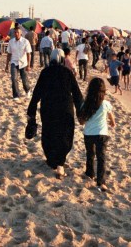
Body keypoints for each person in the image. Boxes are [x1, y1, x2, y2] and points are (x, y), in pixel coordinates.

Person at [26, 49, 84, 178]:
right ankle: (60, 163)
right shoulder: (68, 72)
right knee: (65, 135)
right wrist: (81, 112)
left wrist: (31, 111)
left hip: (48, 108)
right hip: (65, 109)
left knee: (49, 133)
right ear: (62, 60)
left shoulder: (45, 72)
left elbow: (36, 94)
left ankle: (51, 160)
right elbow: (77, 94)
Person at [77, 78, 116, 192]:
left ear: (90, 90)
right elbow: (111, 116)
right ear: (103, 90)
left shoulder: (85, 104)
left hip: (88, 134)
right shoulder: (105, 104)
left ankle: (90, 173)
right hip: (101, 134)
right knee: (101, 157)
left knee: (90, 154)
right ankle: (101, 182)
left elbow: (81, 122)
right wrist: (112, 123)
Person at [5, 26, 32, 101]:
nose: (16, 34)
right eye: (15, 32)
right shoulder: (11, 42)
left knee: (24, 79)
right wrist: (6, 65)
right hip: (14, 62)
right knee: (14, 78)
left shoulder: (25, 41)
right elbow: (9, 53)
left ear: (21, 33)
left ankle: (28, 90)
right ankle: (16, 95)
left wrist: (28, 65)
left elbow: (28, 53)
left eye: (18, 32)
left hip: (23, 63)